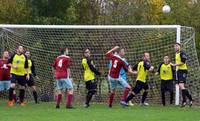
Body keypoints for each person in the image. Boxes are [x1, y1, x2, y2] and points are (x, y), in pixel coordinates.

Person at [171, 43, 193, 107]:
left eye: (177, 46)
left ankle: (190, 99)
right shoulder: (176, 54)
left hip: (183, 70)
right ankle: (184, 101)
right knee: (181, 87)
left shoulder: (182, 53)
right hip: (179, 71)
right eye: (174, 46)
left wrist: (174, 65)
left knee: (181, 85)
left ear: (180, 47)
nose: (175, 47)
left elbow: (183, 62)